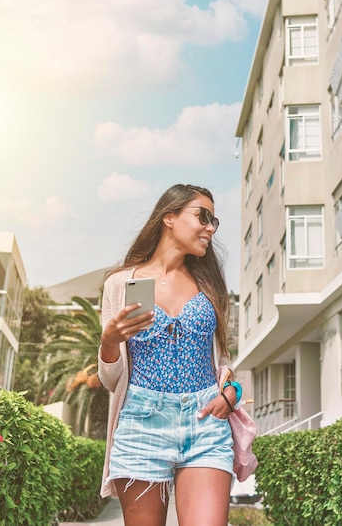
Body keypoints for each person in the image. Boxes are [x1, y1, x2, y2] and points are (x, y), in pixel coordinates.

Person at [98, 184, 240, 526]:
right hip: (141, 422)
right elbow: (110, 379)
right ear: (170, 218)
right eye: (203, 216)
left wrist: (231, 392)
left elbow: (222, 362)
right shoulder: (121, 283)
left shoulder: (210, 287)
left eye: (214, 220)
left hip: (206, 421)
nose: (210, 227)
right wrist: (109, 341)